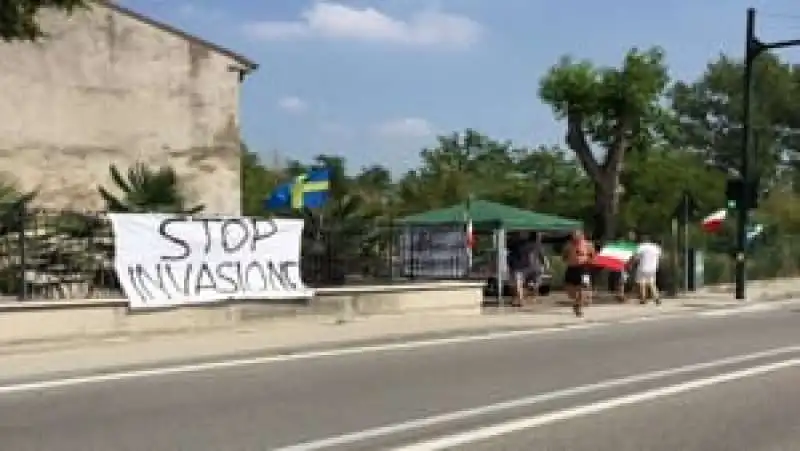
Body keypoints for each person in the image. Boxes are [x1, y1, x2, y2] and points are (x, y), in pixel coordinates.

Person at [562, 230, 595, 317]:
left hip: (584, 268)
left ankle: (578, 306)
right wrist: (568, 259)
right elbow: (564, 257)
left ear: (582, 236)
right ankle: (576, 301)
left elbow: (593, 256)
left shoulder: (588, 245)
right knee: (570, 292)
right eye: (574, 237)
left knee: (584, 288)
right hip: (572, 268)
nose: (575, 238)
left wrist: (589, 260)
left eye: (577, 236)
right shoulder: (568, 245)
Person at [631, 235, 662, 304]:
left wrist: (633, 263)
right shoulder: (656, 247)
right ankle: (656, 297)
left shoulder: (640, 247)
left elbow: (636, 257)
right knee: (652, 283)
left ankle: (643, 298)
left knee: (642, 283)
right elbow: (659, 256)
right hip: (653, 268)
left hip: (643, 267)